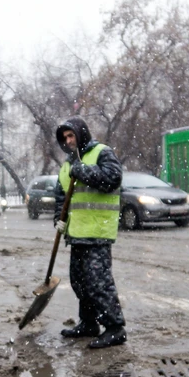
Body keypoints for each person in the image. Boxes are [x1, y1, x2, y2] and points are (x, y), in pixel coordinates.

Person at [53, 116, 127, 349]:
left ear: (81, 133)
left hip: (97, 231)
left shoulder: (102, 153)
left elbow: (113, 178)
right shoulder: (66, 165)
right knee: (80, 281)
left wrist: (83, 170)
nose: (68, 141)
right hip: (76, 234)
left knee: (98, 282)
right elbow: (60, 195)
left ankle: (115, 328)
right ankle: (88, 323)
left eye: (71, 135)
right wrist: (59, 219)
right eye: (65, 138)